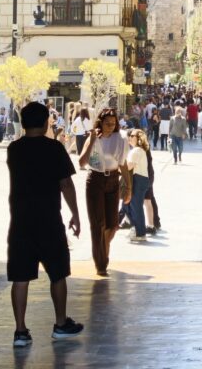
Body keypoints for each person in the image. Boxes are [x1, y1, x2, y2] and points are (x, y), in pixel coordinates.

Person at [6, 100, 83, 348]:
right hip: (49, 219)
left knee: (20, 276)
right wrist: (75, 213)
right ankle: (61, 324)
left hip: (20, 221)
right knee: (58, 274)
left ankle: (20, 331)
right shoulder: (54, 149)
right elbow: (66, 184)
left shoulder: (13, 149)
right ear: (46, 121)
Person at [78, 107, 132, 276]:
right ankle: (101, 263)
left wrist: (128, 187)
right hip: (95, 179)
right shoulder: (94, 137)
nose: (110, 126)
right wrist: (93, 139)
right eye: (107, 123)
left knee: (113, 224)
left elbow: (123, 163)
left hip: (113, 180)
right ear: (100, 123)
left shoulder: (120, 138)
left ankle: (103, 248)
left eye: (113, 124)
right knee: (98, 224)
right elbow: (82, 162)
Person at [121, 129, 150, 242]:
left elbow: (128, 166)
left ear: (139, 139)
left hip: (138, 179)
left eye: (132, 135)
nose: (130, 137)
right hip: (138, 179)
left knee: (136, 206)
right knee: (128, 205)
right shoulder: (136, 150)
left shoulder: (137, 150)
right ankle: (136, 228)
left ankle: (141, 233)